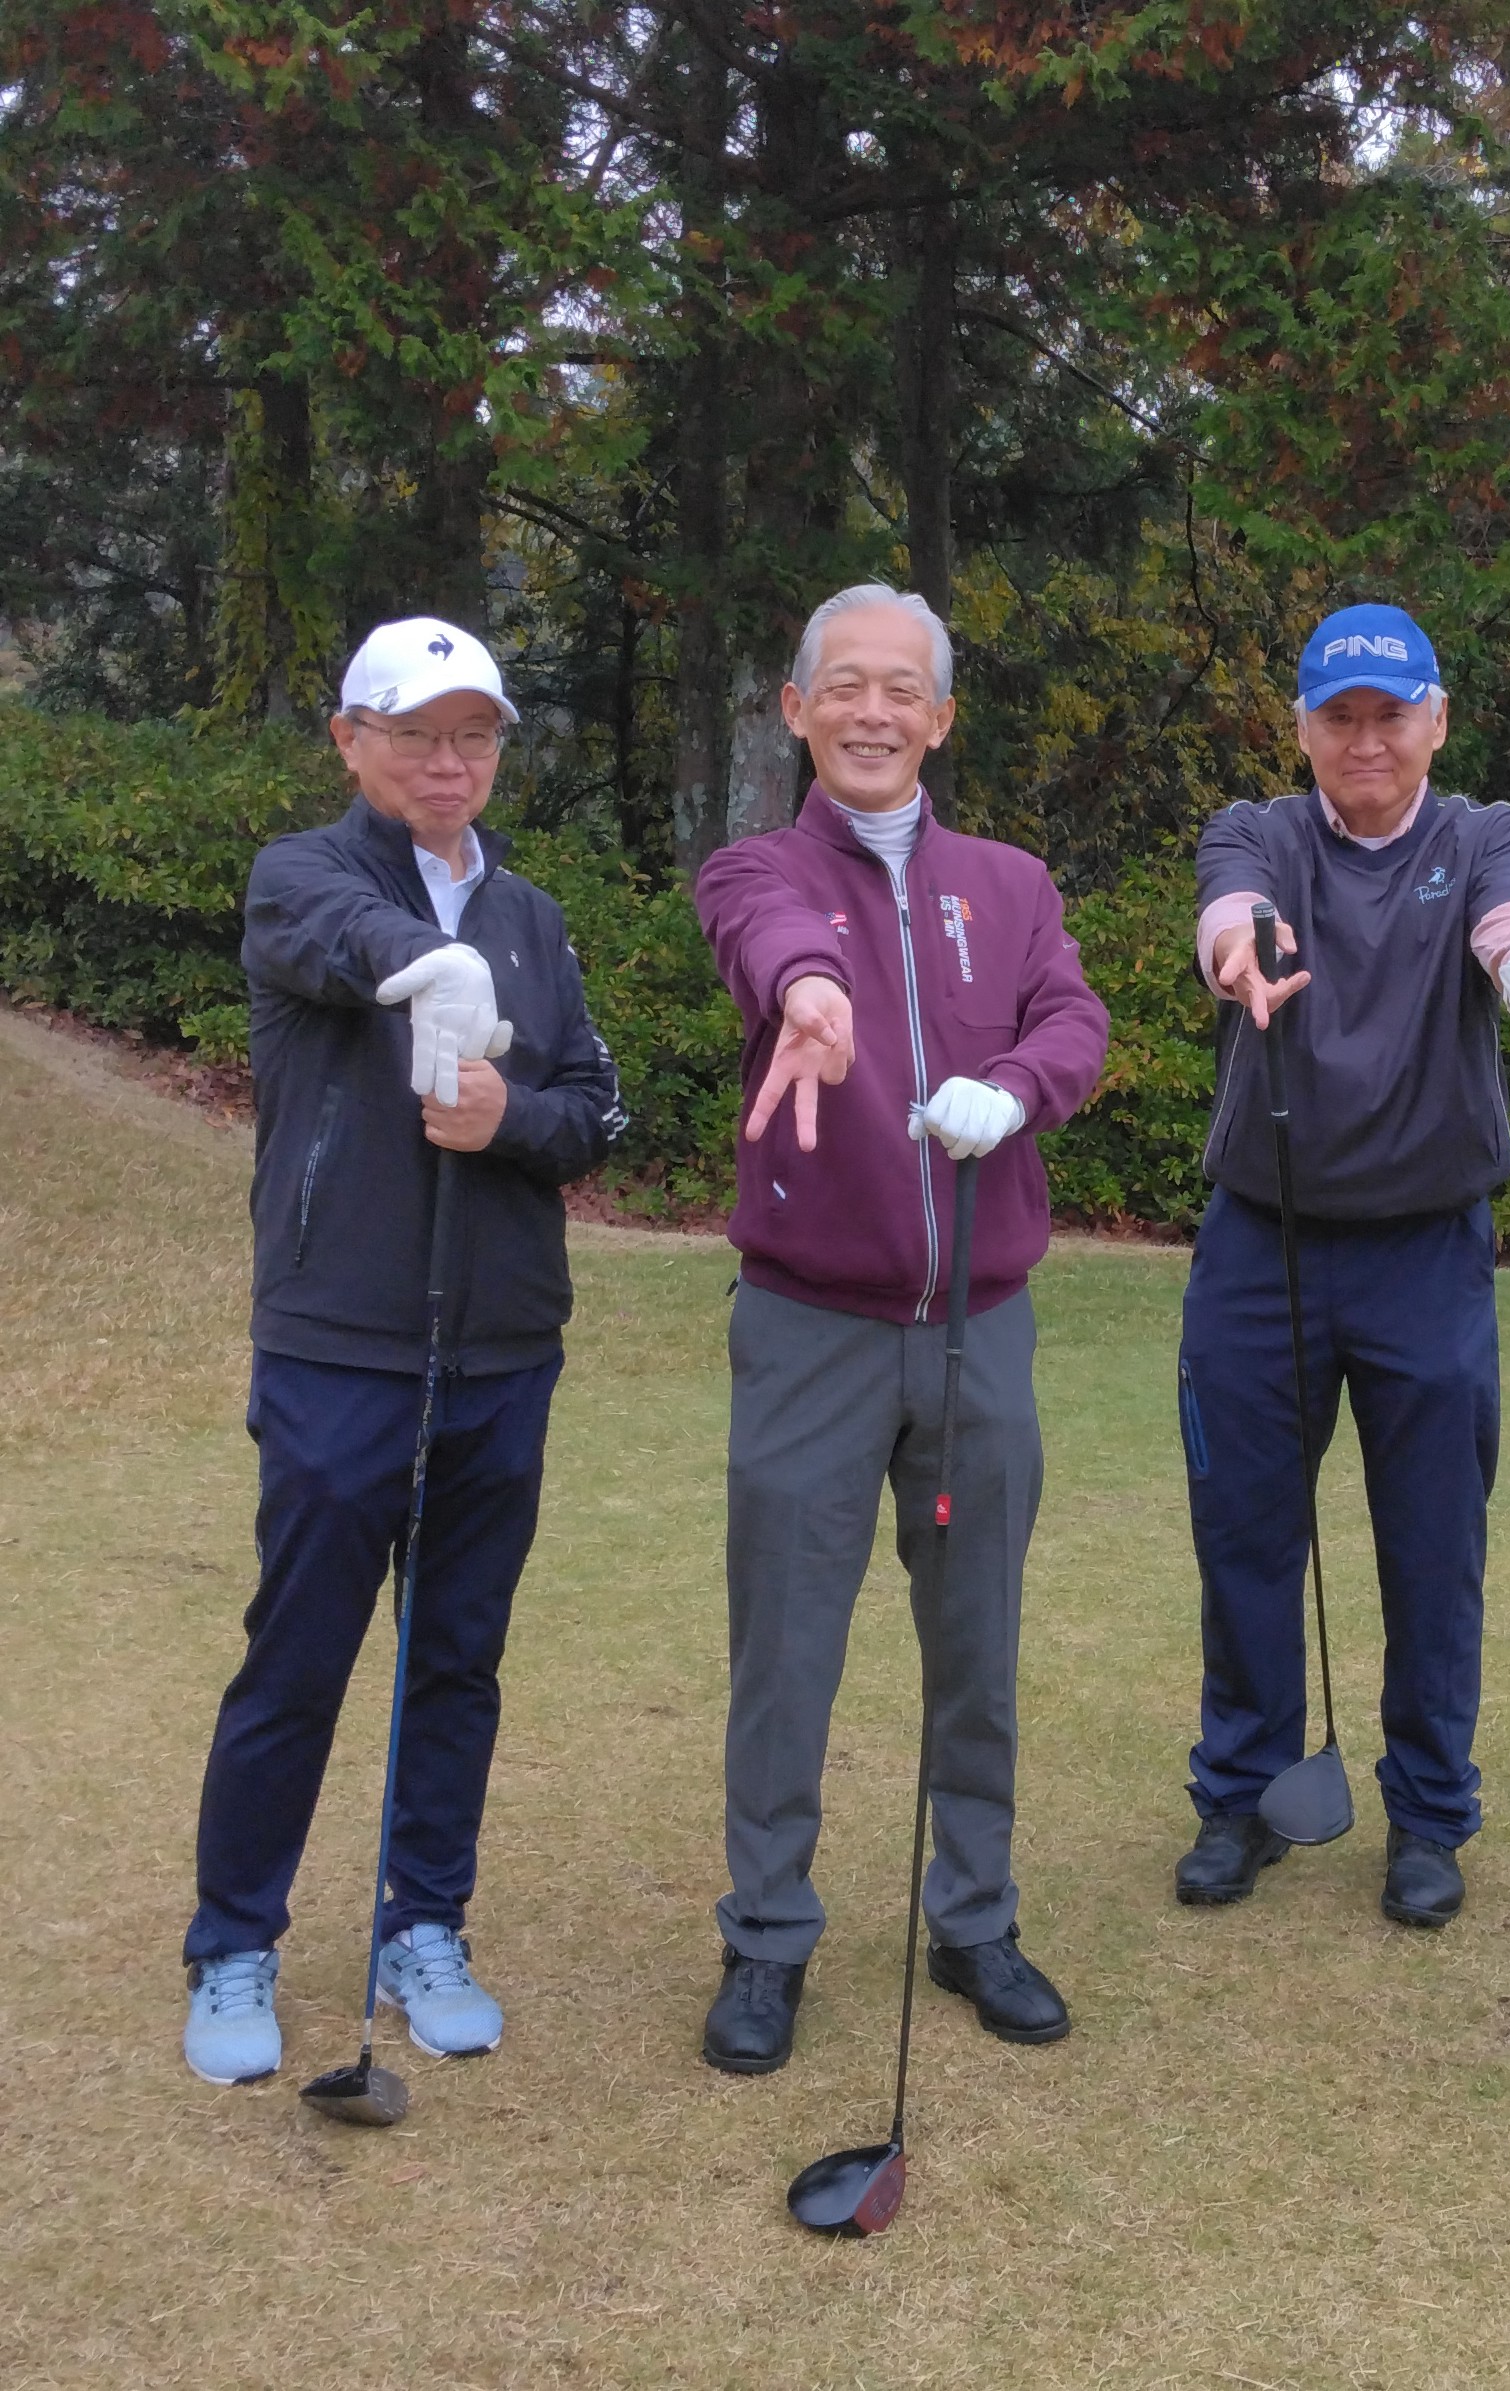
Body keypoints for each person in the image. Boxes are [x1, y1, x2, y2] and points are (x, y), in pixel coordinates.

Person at [181, 618, 624, 2086]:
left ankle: (423, 1922)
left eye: (474, 735)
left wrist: (512, 1119)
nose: (449, 762)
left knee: (457, 1658)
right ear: (351, 741)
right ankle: (234, 1940)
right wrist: (429, 963)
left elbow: (593, 1108)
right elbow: (339, 942)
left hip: (502, 1347)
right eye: (418, 733)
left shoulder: (536, 918)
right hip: (342, 1342)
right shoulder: (303, 877)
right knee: (299, 1655)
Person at [692, 582, 1108, 2073]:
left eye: (902, 689)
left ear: (940, 718)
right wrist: (811, 992)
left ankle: (974, 1917)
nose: (872, 711)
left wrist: (1022, 1088)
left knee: (976, 1646)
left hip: (979, 1330)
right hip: (812, 1328)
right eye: (844, 685)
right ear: (797, 710)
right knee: (787, 1651)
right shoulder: (757, 869)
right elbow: (769, 938)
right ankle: (766, 1935)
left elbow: (1072, 1021)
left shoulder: (1010, 882)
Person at [1172, 603, 1510, 1927]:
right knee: (1247, 1534)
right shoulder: (1259, 831)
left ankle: (1427, 1813)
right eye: (1340, 717)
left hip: (1427, 1250)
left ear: (1437, 721)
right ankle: (1244, 1794)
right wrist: (1239, 949)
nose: (1367, 740)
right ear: (1303, 728)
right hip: (1265, 1243)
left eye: (1392, 716)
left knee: (1432, 1545)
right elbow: (1231, 912)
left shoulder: (1483, 834)